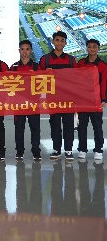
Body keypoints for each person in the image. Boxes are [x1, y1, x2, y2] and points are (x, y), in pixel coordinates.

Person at [39, 31, 77, 162]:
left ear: (66, 43)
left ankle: (69, 150)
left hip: (68, 98)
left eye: (62, 40)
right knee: (55, 124)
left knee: (68, 125)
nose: (59, 43)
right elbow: (37, 77)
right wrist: (45, 73)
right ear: (52, 41)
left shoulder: (71, 59)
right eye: (57, 40)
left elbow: (77, 77)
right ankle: (56, 149)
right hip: (53, 98)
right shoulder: (45, 59)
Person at [76, 39, 107, 161]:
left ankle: (98, 150)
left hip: (96, 101)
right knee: (82, 126)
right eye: (89, 47)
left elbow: (104, 84)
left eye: (94, 47)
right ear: (86, 48)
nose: (92, 49)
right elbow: (75, 79)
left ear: (98, 48)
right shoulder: (81, 63)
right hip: (83, 100)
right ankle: (82, 149)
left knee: (97, 126)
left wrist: (104, 99)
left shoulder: (103, 66)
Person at [11, 40, 41, 161]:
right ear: (19, 51)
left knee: (35, 128)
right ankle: (19, 151)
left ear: (31, 51)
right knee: (19, 128)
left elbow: (42, 84)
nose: (25, 52)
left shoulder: (37, 67)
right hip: (18, 104)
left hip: (33, 103)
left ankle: (36, 151)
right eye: (22, 49)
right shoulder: (13, 67)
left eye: (27, 49)